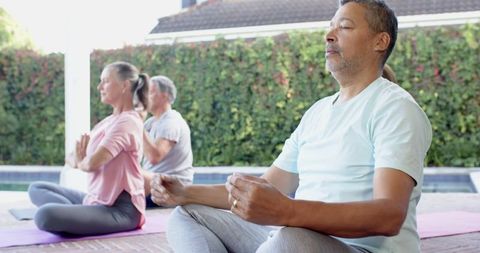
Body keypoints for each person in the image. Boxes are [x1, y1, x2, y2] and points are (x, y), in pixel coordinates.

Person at [151, 0, 432, 252]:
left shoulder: (395, 108)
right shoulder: (318, 112)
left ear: (380, 41)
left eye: (344, 27)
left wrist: (287, 211)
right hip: (292, 240)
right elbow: (267, 187)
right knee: (188, 214)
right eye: (330, 27)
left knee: (290, 238)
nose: (329, 35)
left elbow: (388, 215)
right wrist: (184, 192)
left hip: (351, 249)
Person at [28, 61, 149, 236]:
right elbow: (71, 157)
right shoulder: (107, 122)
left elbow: (92, 164)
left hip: (120, 209)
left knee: (44, 215)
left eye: (105, 81)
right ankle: (79, 217)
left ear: (125, 85)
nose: (100, 86)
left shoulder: (128, 122)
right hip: (94, 199)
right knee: (37, 188)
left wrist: (80, 161)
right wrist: (80, 160)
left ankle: (76, 218)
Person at [141, 75, 194, 208]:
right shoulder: (151, 122)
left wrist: (135, 123)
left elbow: (155, 156)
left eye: (149, 92)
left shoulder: (171, 122)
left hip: (171, 189)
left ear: (164, 96)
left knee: (127, 174)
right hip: (154, 185)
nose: (144, 96)